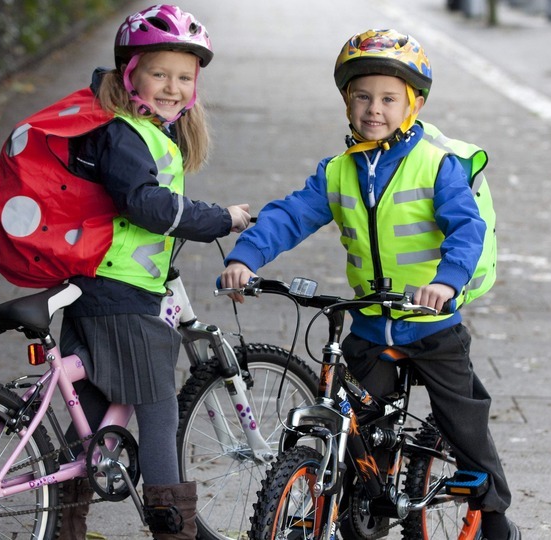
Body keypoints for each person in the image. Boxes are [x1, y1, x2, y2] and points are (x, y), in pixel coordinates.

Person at [220, 29, 520, 540]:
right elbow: (291, 215)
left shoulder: (436, 164)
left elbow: (467, 230)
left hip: (431, 321)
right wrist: (246, 257)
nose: (373, 109)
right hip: (370, 321)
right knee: (359, 417)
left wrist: (445, 283)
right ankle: (365, 508)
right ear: (346, 102)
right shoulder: (338, 172)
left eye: (388, 98)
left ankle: (493, 513)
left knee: (462, 416)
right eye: (362, 97)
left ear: (414, 103)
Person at [49, 5, 250, 539]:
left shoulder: (143, 132)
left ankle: (60, 526)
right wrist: (219, 220)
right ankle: (173, 530)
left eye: (184, 77)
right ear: (129, 73)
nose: (173, 86)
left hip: (99, 285)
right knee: (159, 410)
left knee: (89, 412)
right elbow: (145, 205)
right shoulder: (126, 132)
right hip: (121, 291)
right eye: (159, 73)